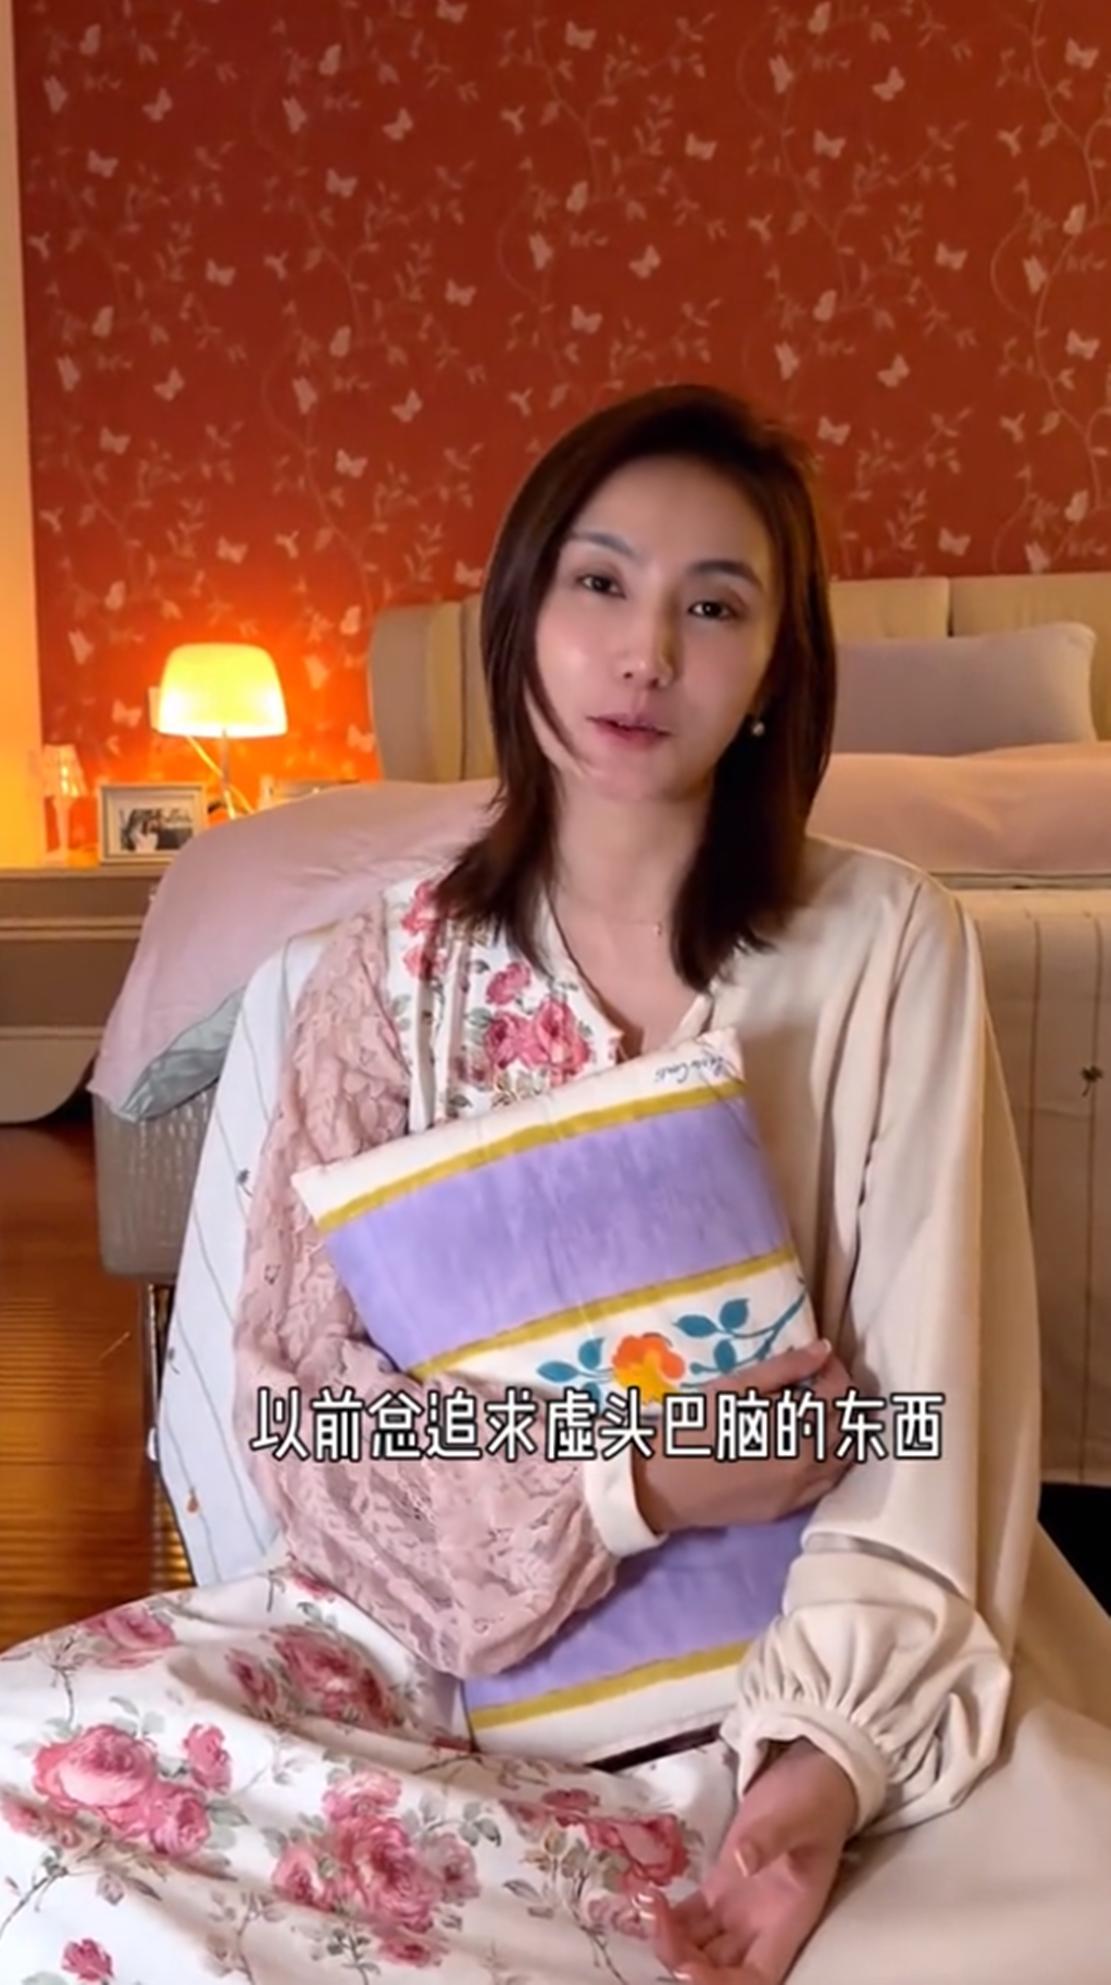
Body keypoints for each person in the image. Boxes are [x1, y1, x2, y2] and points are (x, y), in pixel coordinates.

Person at [1, 383, 1110, 1985]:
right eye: (601, 583)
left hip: (813, 1667)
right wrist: (634, 1480)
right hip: (434, 1653)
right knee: (35, 1769)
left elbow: (929, 1406)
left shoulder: (887, 943)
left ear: (776, 668)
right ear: (522, 610)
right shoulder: (382, 974)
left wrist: (812, 1786)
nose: (645, 653)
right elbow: (309, 1421)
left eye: (713, 606)